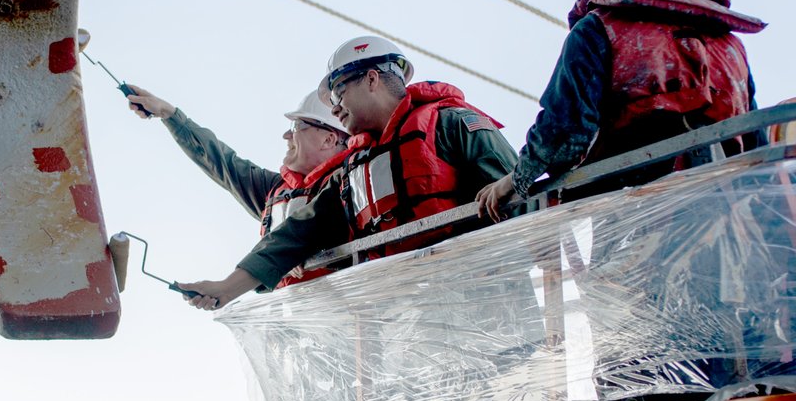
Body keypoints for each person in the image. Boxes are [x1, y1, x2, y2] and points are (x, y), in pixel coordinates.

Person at [179, 35, 517, 310]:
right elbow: (297, 233)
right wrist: (227, 288)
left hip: (487, 310)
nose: (336, 107)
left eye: (339, 91)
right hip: (408, 327)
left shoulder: (450, 124)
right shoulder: (353, 173)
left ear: (371, 79)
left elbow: (522, 195)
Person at [476, 0, 766, 220]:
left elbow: (565, 133)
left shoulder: (598, 26)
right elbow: (757, 143)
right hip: (727, 203)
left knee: (625, 270)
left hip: (638, 203)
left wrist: (514, 180)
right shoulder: (728, 43)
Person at [124, 85, 349, 287]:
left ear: (328, 139)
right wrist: (169, 114)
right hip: (288, 326)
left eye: (297, 125)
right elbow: (221, 162)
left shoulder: (353, 185)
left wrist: (297, 254)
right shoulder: (275, 190)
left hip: (346, 324)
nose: (286, 135)